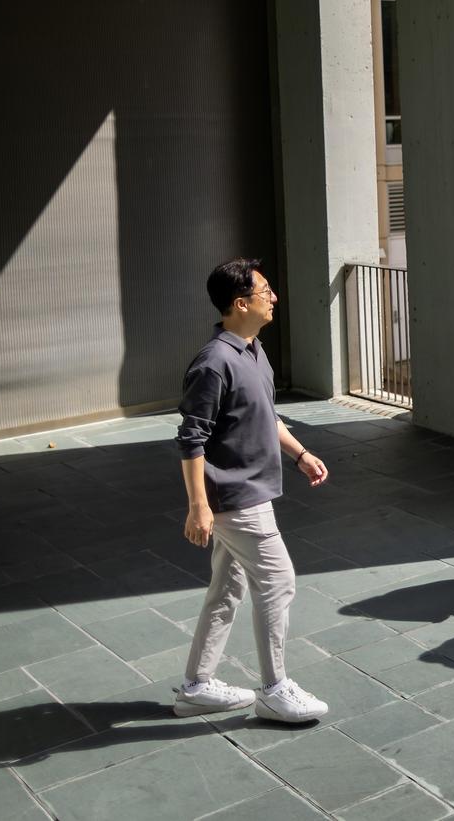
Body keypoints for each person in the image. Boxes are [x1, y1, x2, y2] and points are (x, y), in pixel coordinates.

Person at [173, 259, 331, 723]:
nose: (273, 297)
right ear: (241, 303)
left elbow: (265, 416)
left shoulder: (253, 350)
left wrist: (299, 454)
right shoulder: (214, 362)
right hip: (236, 499)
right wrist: (198, 506)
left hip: (252, 493)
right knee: (278, 584)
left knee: (227, 588)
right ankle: (275, 688)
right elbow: (191, 438)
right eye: (265, 291)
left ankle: (197, 686)